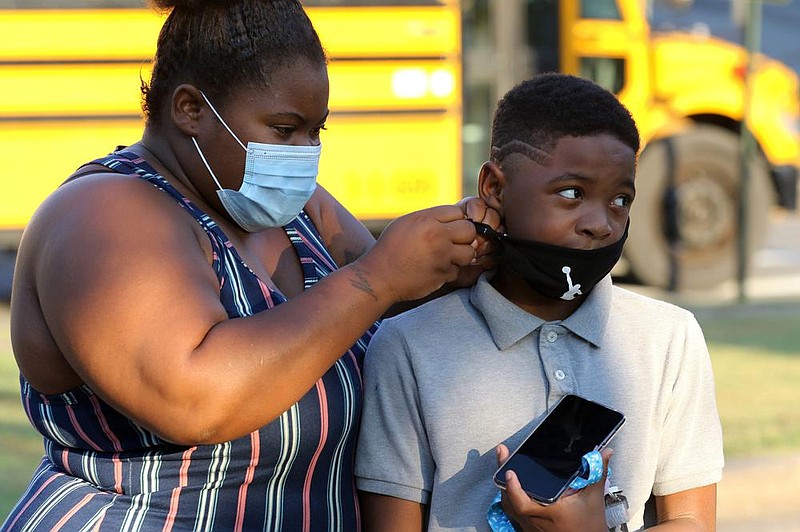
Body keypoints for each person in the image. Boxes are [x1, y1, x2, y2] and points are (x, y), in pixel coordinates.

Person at [2, 0, 499, 530]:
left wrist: (459, 255)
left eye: (316, 132)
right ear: (190, 109)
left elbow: (395, 306)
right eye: (284, 130)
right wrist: (377, 278)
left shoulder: (291, 207)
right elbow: (198, 400)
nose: (304, 153)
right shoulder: (102, 214)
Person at [355, 73, 724, 531]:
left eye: (620, 199)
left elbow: (692, 519)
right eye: (572, 194)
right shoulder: (407, 346)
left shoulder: (670, 337)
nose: (601, 224)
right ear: (494, 187)